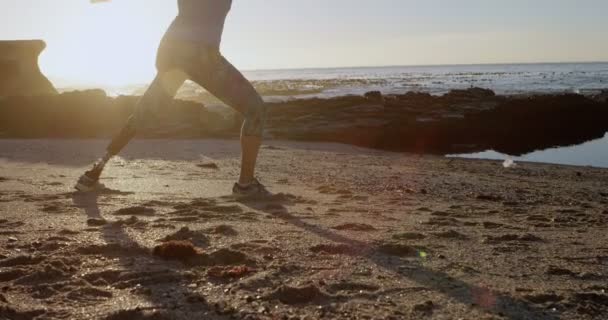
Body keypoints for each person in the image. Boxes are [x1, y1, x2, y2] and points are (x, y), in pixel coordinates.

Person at [75, 0, 267, 197]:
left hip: (172, 51)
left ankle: (93, 174)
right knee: (255, 110)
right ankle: (246, 185)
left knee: (143, 113)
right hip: (200, 53)